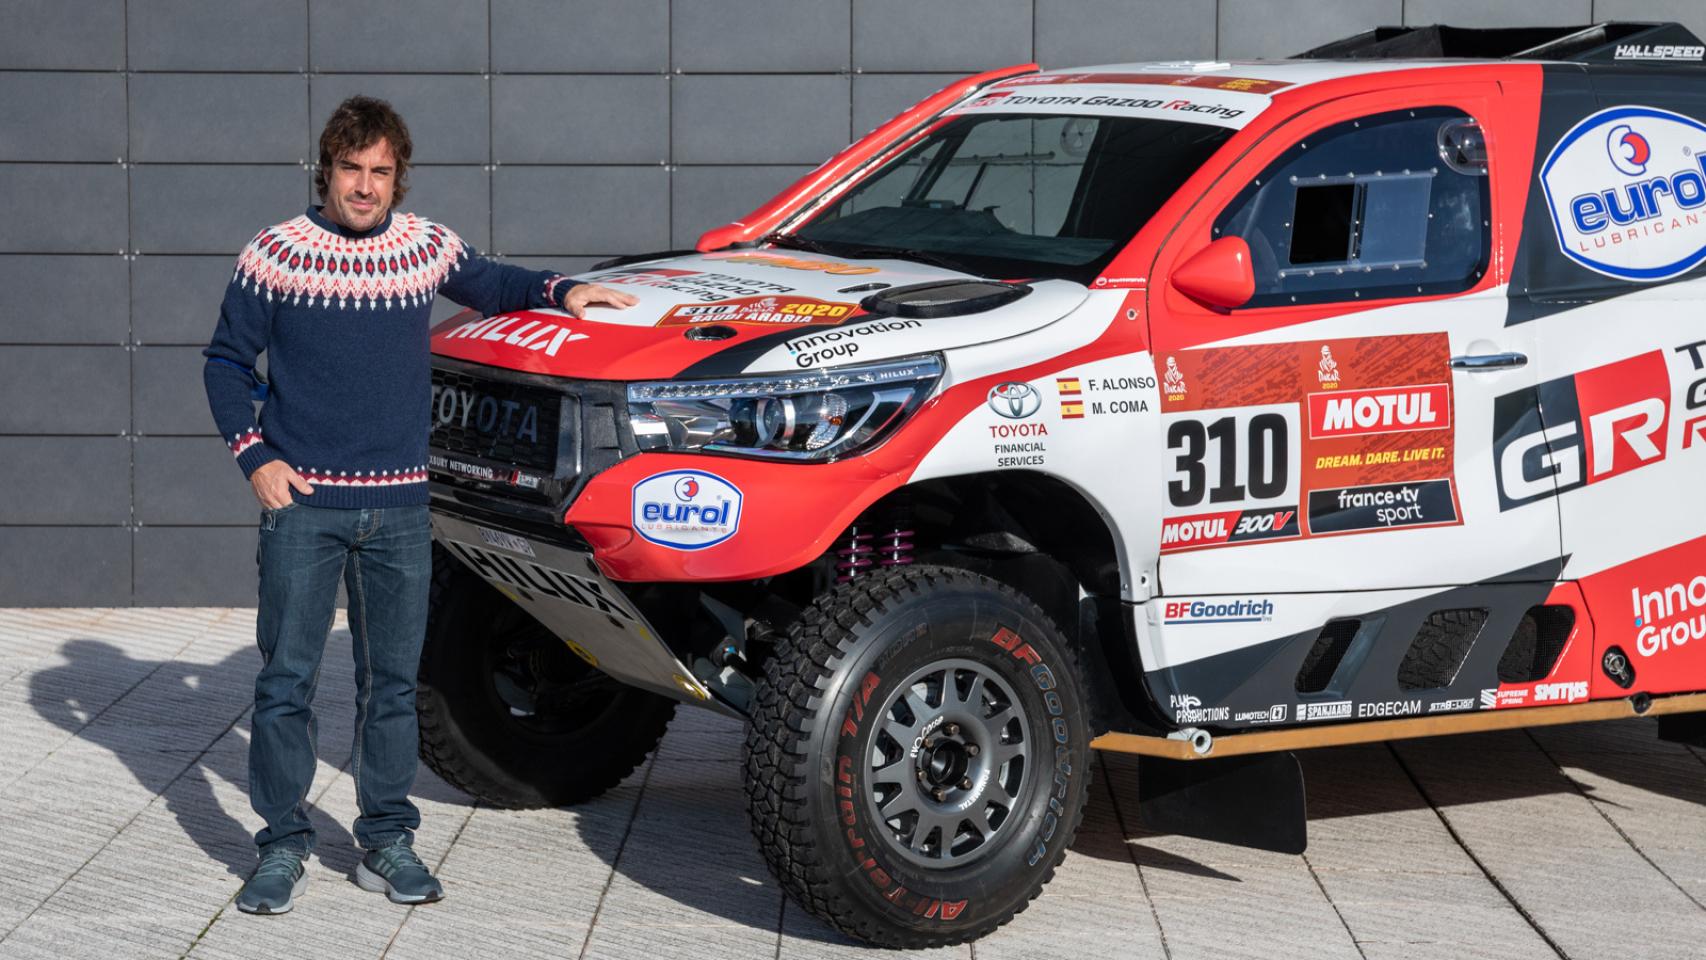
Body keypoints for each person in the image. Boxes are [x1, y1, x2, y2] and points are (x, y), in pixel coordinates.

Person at [203, 96, 636, 915]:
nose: (364, 187)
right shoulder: (275, 253)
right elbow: (226, 361)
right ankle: (282, 846)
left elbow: (496, 282)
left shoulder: (424, 247)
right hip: (303, 507)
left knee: (392, 685)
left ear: (397, 179)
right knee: (286, 682)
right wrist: (253, 456)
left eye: (380, 172)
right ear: (325, 169)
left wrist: (564, 291)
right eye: (350, 169)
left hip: (400, 510)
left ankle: (385, 841)